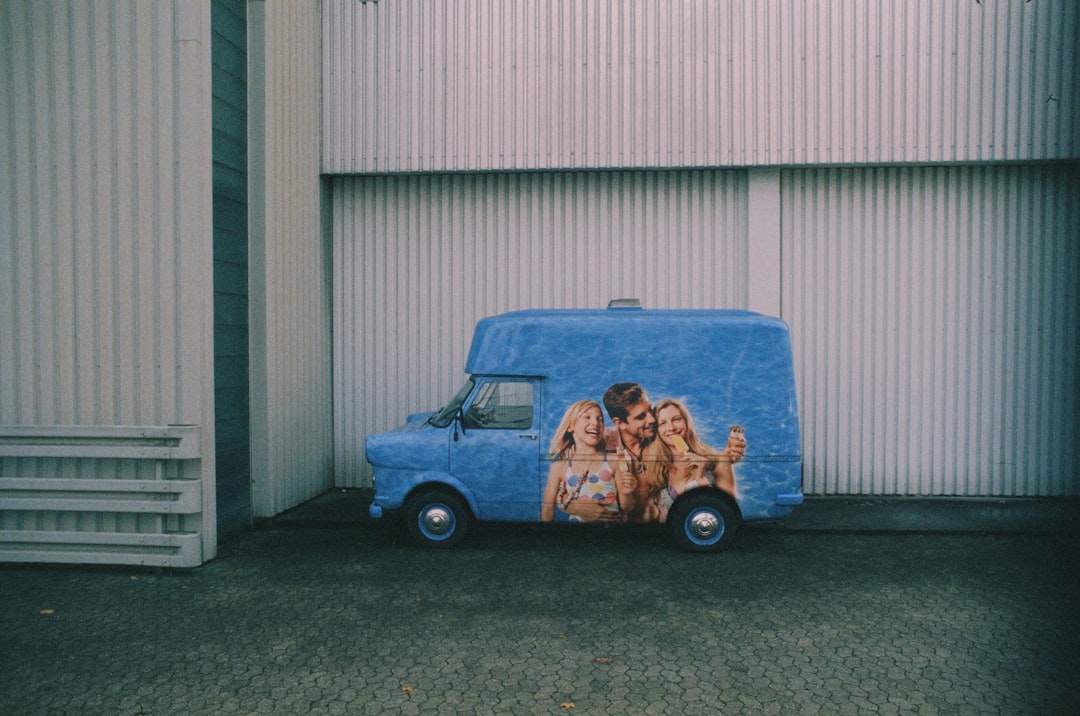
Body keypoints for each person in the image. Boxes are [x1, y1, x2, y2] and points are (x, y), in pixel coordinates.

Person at [642, 398, 747, 522]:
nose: (671, 428)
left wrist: (701, 480)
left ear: (686, 422)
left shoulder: (719, 460)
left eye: (676, 420)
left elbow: (728, 510)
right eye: (662, 423)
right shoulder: (657, 466)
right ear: (657, 431)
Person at [541, 400, 635, 522]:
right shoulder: (559, 467)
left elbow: (626, 507)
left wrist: (628, 492)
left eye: (600, 419)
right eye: (587, 417)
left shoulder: (615, 460)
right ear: (570, 426)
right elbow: (548, 509)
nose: (596, 423)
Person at [601, 382, 657, 523]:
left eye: (650, 410)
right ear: (619, 423)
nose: (652, 419)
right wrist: (574, 505)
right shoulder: (600, 444)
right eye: (641, 417)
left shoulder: (663, 436)